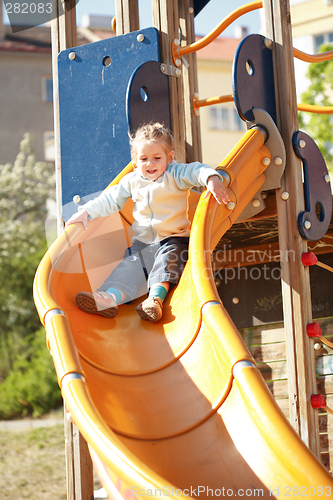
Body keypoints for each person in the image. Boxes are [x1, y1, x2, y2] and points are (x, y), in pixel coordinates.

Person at [66, 122, 230, 322]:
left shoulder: (175, 174)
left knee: (165, 264)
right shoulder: (132, 181)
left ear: (169, 158)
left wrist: (211, 178)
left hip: (173, 240)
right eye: (143, 159)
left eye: (157, 158)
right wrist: (86, 212)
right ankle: (108, 298)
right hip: (142, 244)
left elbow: (196, 171)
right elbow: (109, 199)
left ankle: (154, 301)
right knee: (129, 268)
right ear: (135, 160)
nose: (150, 164)